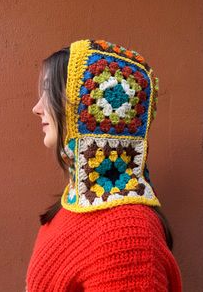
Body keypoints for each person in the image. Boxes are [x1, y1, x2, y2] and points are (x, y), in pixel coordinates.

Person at [26, 39, 182, 291]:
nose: (37, 108)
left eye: (50, 92)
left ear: (83, 108)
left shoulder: (127, 236)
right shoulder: (73, 202)